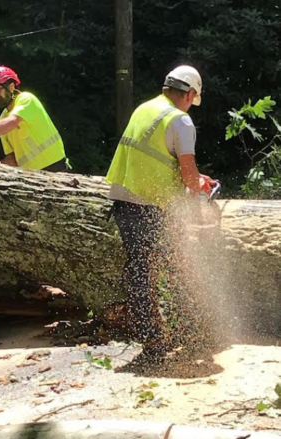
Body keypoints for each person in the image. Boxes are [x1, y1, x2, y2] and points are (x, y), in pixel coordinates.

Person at [106, 65, 217, 359]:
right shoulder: (181, 121)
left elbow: (159, 159)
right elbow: (189, 178)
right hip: (152, 206)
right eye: (194, 99)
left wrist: (197, 178)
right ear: (191, 93)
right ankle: (190, 329)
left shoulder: (145, 108)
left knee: (141, 271)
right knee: (178, 265)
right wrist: (202, 184)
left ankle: (152, 339)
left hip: (123, 201)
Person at [0, 66, 68, 172]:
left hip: (55, 169)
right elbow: (13, 158)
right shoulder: (3, 118)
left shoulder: (26, 99)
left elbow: (12, 121)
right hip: (33, 177)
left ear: (11, 87)